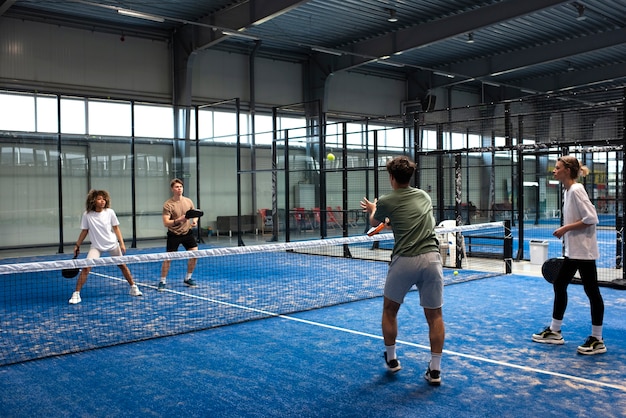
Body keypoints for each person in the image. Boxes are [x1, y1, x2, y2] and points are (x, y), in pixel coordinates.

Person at [360, 156, 445, 386]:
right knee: (435, 316)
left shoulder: (387, 200)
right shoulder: (424, 196)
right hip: (432, 259)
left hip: (405, 260)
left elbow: (374, 222)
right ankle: (435, 370)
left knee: (389, 310)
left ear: (391, 177)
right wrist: (388, 218)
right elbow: (403, 220)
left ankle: (392, 359)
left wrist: (374, 207)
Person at [532, 156, 606, 355]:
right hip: (574, 252)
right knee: (560, 284)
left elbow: (592, 218)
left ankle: (597, 340)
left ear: (567, 170)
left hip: (584, 252)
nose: (554, 171)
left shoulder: (576, 190)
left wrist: (565, 229)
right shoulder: (567, 192)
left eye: (557, 168)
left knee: (592, 292)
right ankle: (555, 331)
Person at [69, 189, 142, 304]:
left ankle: (133, 287)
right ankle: (76, 294)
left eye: (104, 199)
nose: (102, 201)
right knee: (86, 268)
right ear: (93, 201)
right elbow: (84, 231)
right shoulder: (87, 215)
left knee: (122, 265)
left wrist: (122, 243)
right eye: (99, 199)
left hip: (112, 244)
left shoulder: (110, 212)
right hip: (97, 246)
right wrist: (77, 245)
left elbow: (116, 228)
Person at [158, 178, 199, 291]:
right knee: (168, 258)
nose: (179, 189)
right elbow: (166, 223)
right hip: (174, 234)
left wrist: (194, 221)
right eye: (176, 187)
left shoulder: (188, 201)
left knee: (195, 255)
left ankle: (188, 278)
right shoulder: (168, 205)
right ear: (172, 189)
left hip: (187, 233)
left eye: (180, 187)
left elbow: (194, 214)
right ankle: (162, 281)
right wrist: (179, 220)